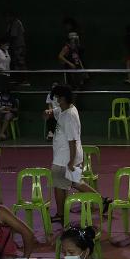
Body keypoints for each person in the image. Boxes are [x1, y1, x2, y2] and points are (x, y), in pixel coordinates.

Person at [46, 85, 108, 222]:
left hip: (65, 158)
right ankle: (102, 201)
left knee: (59, 186)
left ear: (62, 99)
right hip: (68, 156)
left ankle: (61, 215)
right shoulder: (66, 108)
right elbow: (55, 111)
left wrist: (71, 162)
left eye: (56, 98)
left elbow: (72, 141)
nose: (54, 101)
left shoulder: (69, 116)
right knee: (76, 182)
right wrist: (49, 112)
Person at [5, 12, 28, 79]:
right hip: (15, 47)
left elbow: (13, 36)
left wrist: (8, 44)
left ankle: (24, 80)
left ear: (11, 16)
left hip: (19, 47)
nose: (6, 18)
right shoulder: (10, 24)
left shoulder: (16, 23)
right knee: (16, 64)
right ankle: (19, 79)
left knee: (21, 63)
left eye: (7, 17)